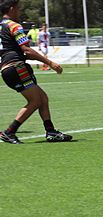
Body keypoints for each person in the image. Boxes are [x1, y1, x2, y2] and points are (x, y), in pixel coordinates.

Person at [0, 0, 72, 144]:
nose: (20, 12)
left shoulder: (1, 27)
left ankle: (50, 131)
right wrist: (50, 63)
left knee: (43, 98)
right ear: (12, 9)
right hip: (17, 67)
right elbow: (27, 50)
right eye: (19, 9)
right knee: (35, 100)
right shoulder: (14, 26)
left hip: (8, 68)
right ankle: (9, 132)